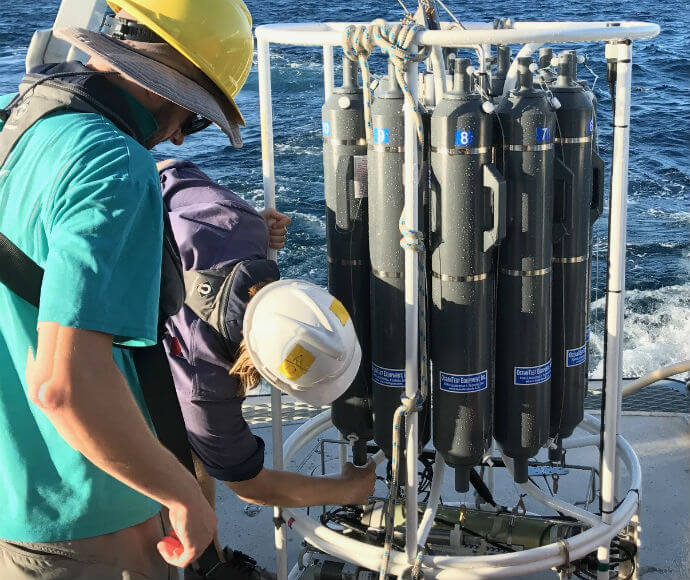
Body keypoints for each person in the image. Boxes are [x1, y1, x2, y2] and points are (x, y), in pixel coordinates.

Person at [0, 1, 255, 578]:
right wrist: (182, 494)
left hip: (13, 499)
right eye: (192, 118)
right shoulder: (114, 164)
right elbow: (65, 386)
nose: (183, 141)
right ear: (169, 88)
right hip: (90, 515)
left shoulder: (18, 121)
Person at [158, 159, 376, 578]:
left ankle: (206, 558)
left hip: (156, 285)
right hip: (89, 326)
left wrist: (258, 225)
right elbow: (250, 485)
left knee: (200, 452)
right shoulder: (206, 383)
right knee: (181, 458)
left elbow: (168, 168)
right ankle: (198, 565)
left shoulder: (242, 225)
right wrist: (347, 489)